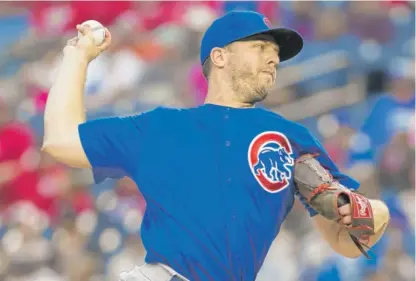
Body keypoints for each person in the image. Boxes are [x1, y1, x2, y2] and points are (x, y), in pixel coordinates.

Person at [42, 10, 390, 281]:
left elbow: (347, 239)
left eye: (275, 53)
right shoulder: (160, 126)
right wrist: (77, 57)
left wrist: (373, 211)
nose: (273, 59)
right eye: (260, 47)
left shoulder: (289, 139)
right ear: (220, 57)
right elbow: (60, 140)